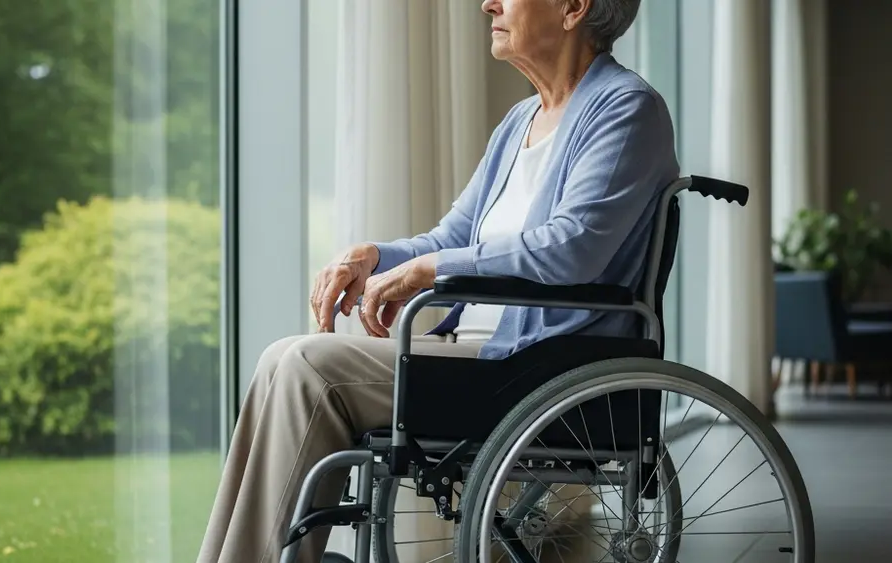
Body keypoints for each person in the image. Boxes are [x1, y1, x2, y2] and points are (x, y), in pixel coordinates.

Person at [198, 0, 678, 561]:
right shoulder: (520, 123)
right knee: (279, 358)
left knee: (306, 368)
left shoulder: (626, 109)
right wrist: (373, 257)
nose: (488, 3)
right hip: (484, 356)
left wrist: (428, 270)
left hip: (539, 364)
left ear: (573, 7)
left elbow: (572, 250)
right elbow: (452, 236)